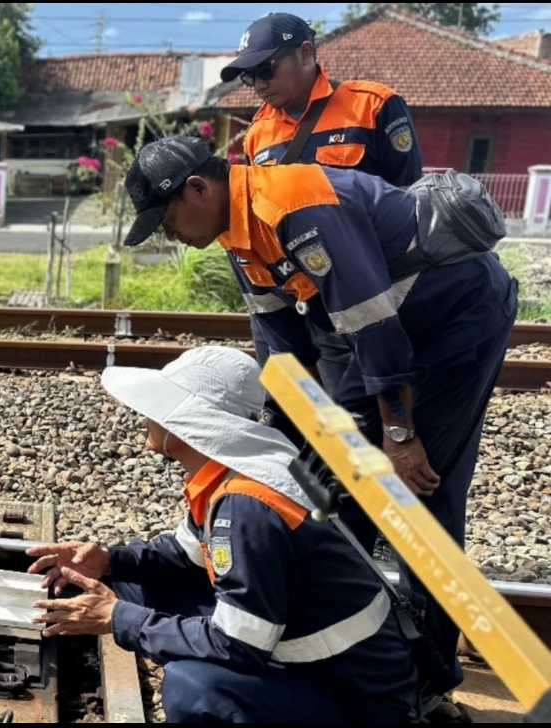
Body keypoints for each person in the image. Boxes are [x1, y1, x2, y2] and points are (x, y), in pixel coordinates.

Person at [119, 135, 518, 703]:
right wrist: (282, 440)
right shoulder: (238, 235)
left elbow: (373, 323)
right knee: (326, 478)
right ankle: (337, 630)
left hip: (456, 322)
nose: (168, 232)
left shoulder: (292, 203)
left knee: (415, 493)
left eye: (166, 217)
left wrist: (399, 438)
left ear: (199, 188)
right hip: (384, 333)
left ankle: (427, 672)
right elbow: (282, 348)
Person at [27, 346, 418, 723]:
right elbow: (186, 555)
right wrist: (112, 561)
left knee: (194, 687)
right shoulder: (235, 473)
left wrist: (120, 620)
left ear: (189, 421)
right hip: (305, 652)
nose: (144, 415)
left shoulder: (248, 506)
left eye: (158, 407)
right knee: (125, 586)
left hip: (350, 696)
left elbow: (241, 645)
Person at [219, 11, 425, 439]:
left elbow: (409, 202)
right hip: (314, 303)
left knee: (381, 415)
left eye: (264, 69)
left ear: (306, 53)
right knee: (332, 421)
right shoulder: (259, 134)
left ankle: (387, 489)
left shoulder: (373, 106)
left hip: (379, 294)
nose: (256, 84)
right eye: (246, 76)